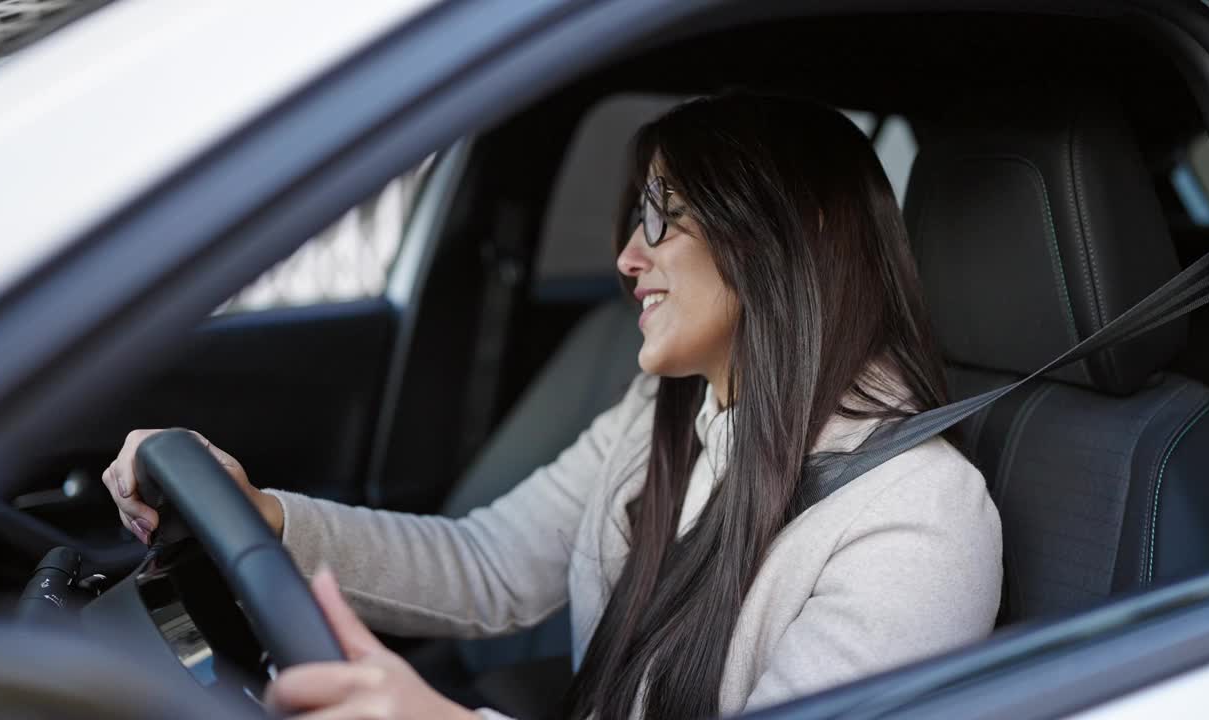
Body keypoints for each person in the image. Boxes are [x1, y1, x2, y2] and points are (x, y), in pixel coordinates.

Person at [102, 92, 1002, 720]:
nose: (624, 257)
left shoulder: (919, 518)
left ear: (793, 239)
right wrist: (264, 518)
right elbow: (493, 567)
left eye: (664, 215)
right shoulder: (666, 413)